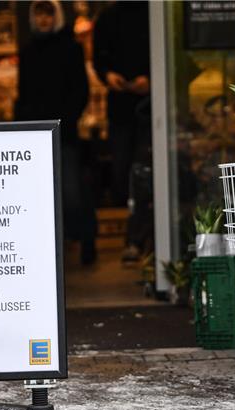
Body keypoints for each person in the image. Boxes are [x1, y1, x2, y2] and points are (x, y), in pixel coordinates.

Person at [15, 0, 96, 265]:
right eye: (39, 14)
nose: (43, 19)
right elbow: (23, 93)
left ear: (56, 16)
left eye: (48, 14)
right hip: (33, 135)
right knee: (37, 194)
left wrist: (66, 119)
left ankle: (84, 242)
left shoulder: (71, 49)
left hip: (65, 132)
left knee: (71, 192)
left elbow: (81, 91)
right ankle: (50, 248)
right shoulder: (28, 52)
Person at [92, 1, 152, 262]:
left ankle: (138, 239)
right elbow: (99, 58)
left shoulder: (153, 13)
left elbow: (164, 53)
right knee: (123, 173)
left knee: (144, 173)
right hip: (119, 108)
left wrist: (151, 79)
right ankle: (138, 237)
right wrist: (108, 75)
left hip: (150, 107)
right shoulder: (107, 17)